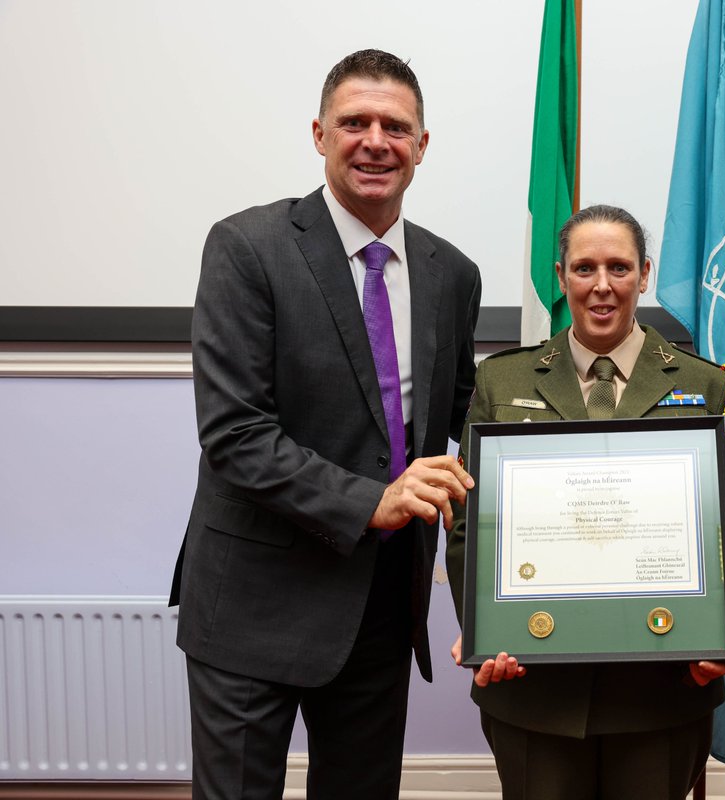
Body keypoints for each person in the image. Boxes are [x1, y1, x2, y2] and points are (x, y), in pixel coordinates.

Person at [168, 49, 481, 799]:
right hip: (254, 601)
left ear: (422, 145)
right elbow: (236, 433)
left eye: (396, 126)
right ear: (318, 134)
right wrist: (370, 501)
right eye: (354, 122)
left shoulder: (452, 274)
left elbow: (467, 423)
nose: (376, 140)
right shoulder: (248, 248)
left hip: (380, 604)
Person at [444, 205, 725, 800]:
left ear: (644, 275)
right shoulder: (502, 383)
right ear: (561, 276)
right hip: (533, 690)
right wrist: (486, 628)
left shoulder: (709, 387)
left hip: (663, 690)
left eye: (619, 267)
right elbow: (470, 527)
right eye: (584, 267)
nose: (601, 285)